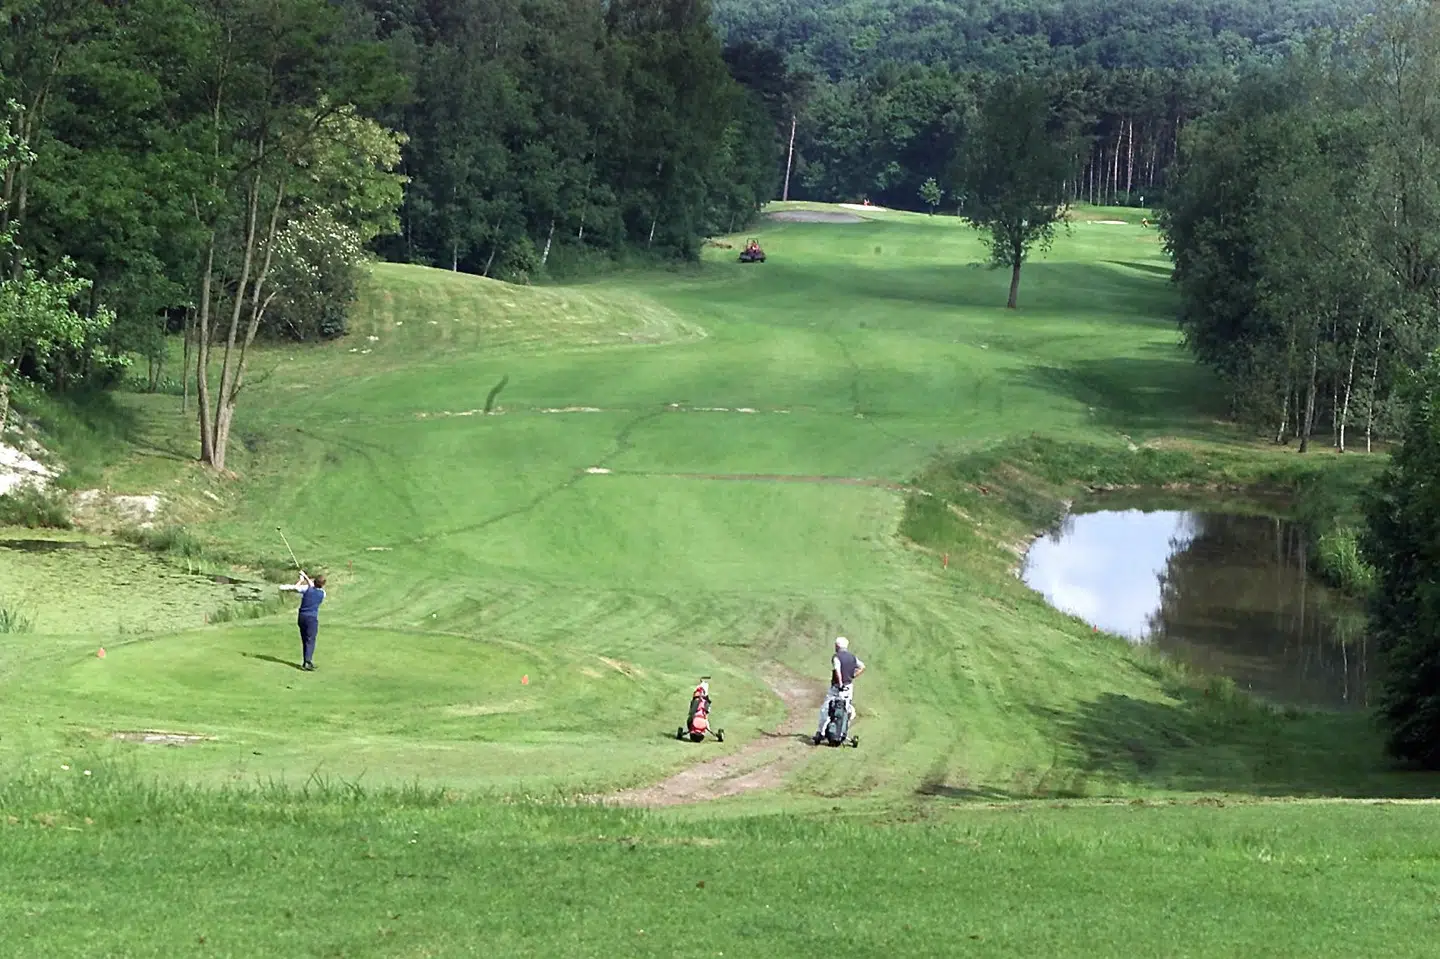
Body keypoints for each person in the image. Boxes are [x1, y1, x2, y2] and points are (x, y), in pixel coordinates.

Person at [813, 636, 865, 744]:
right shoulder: (852, 657)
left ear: (837, 646)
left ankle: (821, 733)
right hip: (849, 688)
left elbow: (837, 671)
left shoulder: (836, 657)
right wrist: (852, 676)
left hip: (837, 688)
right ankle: (841, 732)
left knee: (826, 709)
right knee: (845, 710)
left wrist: (840, 683)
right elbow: (862, 667)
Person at [278, 571, 326, 671]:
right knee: (310, 640)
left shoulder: (307, 590)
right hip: (311, 619)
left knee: (305, 640)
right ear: (323, 585)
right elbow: (313, 586)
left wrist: (301, 579)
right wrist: (305, 577)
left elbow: (296, 588)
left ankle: (307, 661)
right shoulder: (322, 594)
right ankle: (307, 663)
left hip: (302, 617)